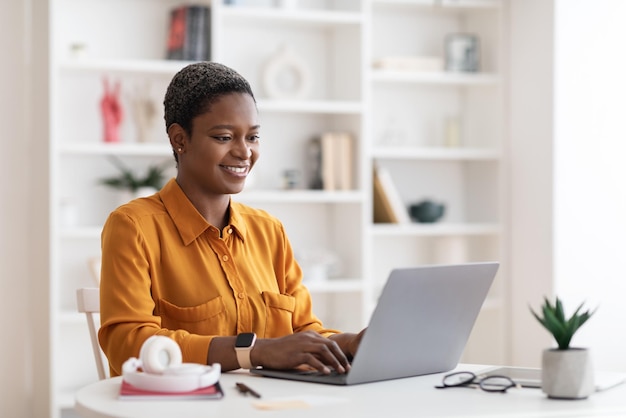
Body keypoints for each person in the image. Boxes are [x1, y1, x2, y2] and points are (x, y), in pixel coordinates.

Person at [98, 62, 364, 377]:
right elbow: (126, 342)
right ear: (179, 139)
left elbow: (303, 332)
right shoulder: (134, 226)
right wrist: (253, 352)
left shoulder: (269, 231)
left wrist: (350, 342)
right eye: (224, 137)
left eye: (252, 137)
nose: (244, 152)